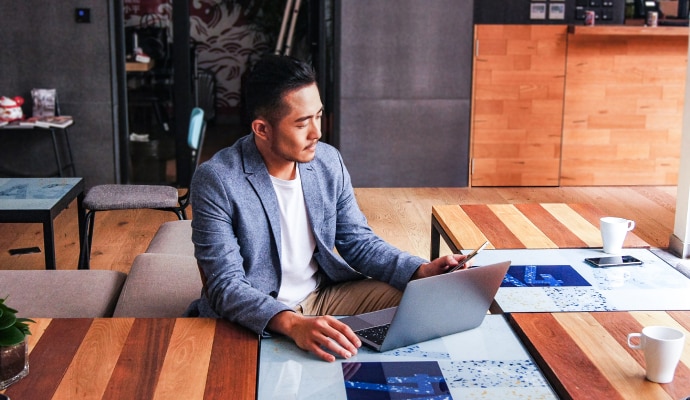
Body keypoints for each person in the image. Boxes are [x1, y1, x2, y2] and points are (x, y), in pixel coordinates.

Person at [186, 54, 469, 362]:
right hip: (257, 313)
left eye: (318, 116)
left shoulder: (326, 161)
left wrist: (419, 270)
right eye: (302, 123)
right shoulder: (217, 180)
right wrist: (293, 323)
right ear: (262, 129)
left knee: (424, 304)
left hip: (322, 297)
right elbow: (224, 286)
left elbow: (357, 241)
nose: (317, 133)